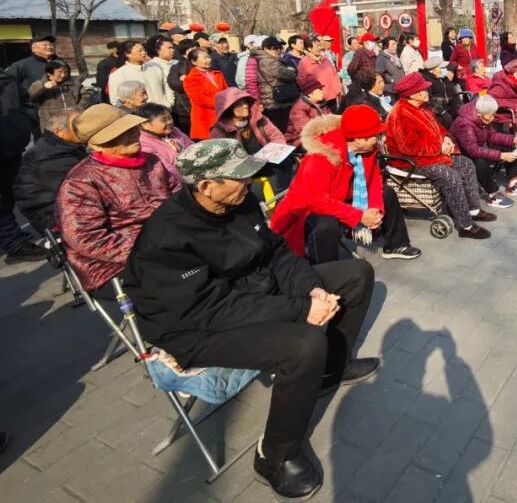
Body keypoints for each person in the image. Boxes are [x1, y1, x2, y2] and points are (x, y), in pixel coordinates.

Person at [122, 139, 380, 501]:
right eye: (239, 177)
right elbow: (209, 308)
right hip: (195, 327)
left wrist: (311, 290)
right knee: (303, 346)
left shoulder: (240, 202)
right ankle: (275, 455)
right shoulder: (168, 237)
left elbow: (276, 253)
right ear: (206, 185)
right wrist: (299, 309)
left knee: (356, 274)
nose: (250, 182)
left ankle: (329, 371)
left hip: (252, 293)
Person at [55, 104, 181, 292]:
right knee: (185, 279)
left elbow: (179, 197)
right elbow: (85, 238)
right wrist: (151, 250)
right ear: (98, 144)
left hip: (170, 242)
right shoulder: (81, 182)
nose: (133, 134)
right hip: (114, 263)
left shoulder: (151, 161)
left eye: (132, 128)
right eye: (122, 133)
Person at [272, 107, 422, 263]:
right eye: (375, 135)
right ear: (359, 139)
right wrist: (359, 216)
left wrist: (375, 208)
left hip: (342, 198)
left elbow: (374, 179)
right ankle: (326, 269)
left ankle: (397, 244)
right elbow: (316, 201)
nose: (379, 138)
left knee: (387, 193)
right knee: (326, 225)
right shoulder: (321, 156)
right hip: (306, 210)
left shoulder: (368, 150)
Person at [384, 73, 495, 239]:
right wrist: (439, 148)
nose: (427, 91)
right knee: (450, 176)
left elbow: (439, 129)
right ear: (413, 94)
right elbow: (408, 147)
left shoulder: (422, 108)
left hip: (430, 155)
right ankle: (465, 225)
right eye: (423, 89)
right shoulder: (400, 114)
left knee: (466, 164)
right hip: (410, 162)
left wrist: (446, 139)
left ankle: (474, 210)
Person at [13, 107, 86, 241]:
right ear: (59, 132)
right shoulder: (52, 156)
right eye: (77, 125)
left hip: (63, 207)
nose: (85, 127)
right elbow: (86, 186)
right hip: (54, 217)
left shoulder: (62, 145)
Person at [451, 95, 517, 204]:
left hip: (476, 148)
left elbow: (492, 135)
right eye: (490, 116)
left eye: (494, 115)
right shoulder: (464, 123)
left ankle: (513, 183)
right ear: (479, 113)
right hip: (461, 154)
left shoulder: (483, 118)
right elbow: (473, 150)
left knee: (507, 147)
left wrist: (514, 140)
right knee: (480, 163)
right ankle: (493, 194)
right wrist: (501, 155)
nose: (492, 118)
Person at [0, 67, 40, 263]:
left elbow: (25, 101)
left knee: (11, 195)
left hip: (11, 145)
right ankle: (15, 244)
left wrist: (26, 119)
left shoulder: (6, 78)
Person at [8, 35, 64, 133]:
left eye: (50, 44)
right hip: (35, 113)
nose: (49, 47)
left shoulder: (61, 63)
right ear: (34, 48)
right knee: (43, 139)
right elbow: (9, 85)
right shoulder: (22, 65)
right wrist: (22, 107)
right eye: (45, 45)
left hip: (61, 111)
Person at [135, 102, 193, 179]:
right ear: (145, 125)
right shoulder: (143, 143)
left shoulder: (175, 131)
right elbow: (165, 168)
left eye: (170, 118)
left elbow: (192, 147)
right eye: (164, 120)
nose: (169, 122)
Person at [29, 60, 90, 131]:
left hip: (73, 121)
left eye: (65, 72)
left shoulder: (74, 84)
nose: (63, 75)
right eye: (59, 72)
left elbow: (87, 96)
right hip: (51, 124)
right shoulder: (39, 84)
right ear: (49, 73)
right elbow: (32, 99)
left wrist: (79, 108)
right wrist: (44, 88)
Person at [255, 36, 299, 132]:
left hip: (281, 101)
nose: (279, 50)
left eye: (280, 47)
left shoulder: (275, 60)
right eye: (275, 48)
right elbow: (289, 75)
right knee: (281, 131)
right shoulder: (266, 61)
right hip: (275, 104)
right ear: (266, 49)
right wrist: (292, 70)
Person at [183, 48, 227, 140]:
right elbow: (200, 99)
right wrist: (220, 104)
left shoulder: (217, 74)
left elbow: (226, 91)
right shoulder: (190, 79)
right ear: (194, 61)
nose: (209, 60)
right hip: (205, 117)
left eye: (208, 57)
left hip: (222, 113)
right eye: (205, 58)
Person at [287, 73, 332, 148]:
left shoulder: (321, 102)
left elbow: (330, 118)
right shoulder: (298, 109)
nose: (322, 92)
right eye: (319, 90)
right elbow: (307, 130)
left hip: (320, 134)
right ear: (310, 94)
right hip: (299, 142)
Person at [298, 36, 343, 109]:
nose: (319, 48)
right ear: (309, 48)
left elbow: (334, 74)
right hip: (318, 101)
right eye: (317, 46)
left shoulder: (325, 59)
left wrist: (338, 88)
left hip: (332, 97)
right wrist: (313, 96)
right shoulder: (304, 63)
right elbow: (301, 82)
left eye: (319, 45)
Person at [421, 58, 463, 129]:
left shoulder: (442, 78)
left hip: (450, 111)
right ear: (433, 69)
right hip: (439, 115)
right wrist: (443, 112)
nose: (444, 70)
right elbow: (428, 102)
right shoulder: (426, 81)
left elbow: (451, 92)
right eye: (441, 68)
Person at [106, 40, 149, 107]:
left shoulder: (152, 68)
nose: (144, 53)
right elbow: (115, 100)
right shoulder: (118, 74)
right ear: (127, 54)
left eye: (144, 50)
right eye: (140, 51)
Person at [168, 38, 197, 136]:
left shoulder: (203, 64)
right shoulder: (177, 66)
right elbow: (174, 84)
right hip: (185, 107)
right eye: (192, 49)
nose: (196, 51)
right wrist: (190, 81)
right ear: (185, 51)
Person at [144, 36, 176, 107]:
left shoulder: (178, 63)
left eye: (173, 48)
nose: (172, 50)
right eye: (169, 48)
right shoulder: (151, 66)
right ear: (158, 50)